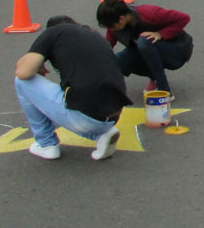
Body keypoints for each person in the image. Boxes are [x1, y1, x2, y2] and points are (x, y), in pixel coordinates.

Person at [14, 15, 133, 161]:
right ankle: (101, 134)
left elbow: (23, 73)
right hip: (113, 115)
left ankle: (46, 144)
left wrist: (39, 57)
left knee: (22, 82)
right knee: (82, 98)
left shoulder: (53, 33)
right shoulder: (94, 36)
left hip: (84, 117)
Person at [96, 0, 193, 95]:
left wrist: (160, 34)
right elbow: (106, 48)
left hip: (177, 50)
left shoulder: (149, 13)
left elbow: (184, 18)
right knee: (118, 60)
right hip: (151, 51)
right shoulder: (114, 27)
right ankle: (154, 78)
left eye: (111, 26)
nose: (111, 30)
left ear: (121, 19)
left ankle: (164, 90)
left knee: (144, 41)